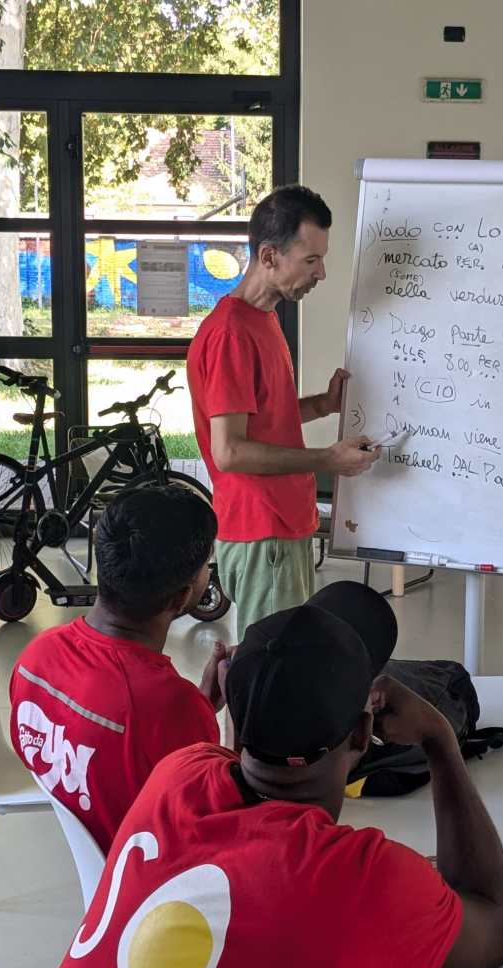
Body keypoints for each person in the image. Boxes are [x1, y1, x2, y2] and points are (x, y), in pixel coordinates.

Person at [41, 581, 503, 968]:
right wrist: (439, 741)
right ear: (362, 734)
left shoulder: (179, 774)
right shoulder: (359, 878)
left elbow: (261, 874)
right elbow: (491, 936)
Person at [187, 184, 379, 642]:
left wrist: (321, 405)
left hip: (278, 526)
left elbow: (260, 418)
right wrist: (328, 459)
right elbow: (230, 451)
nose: (321, 273)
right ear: (269, 256)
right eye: (311, 260)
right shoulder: (232, 333)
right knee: (273, 667)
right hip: (263, 530)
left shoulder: (263, 319)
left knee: (284, 659)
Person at [9, 485, 227, 854]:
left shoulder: (37, 656)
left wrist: (201, 706)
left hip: (95, 854)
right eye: (207, 564)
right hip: (143, 873)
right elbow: (204, 823)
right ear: (181, 596)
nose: (209, 572)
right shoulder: (168, 706)